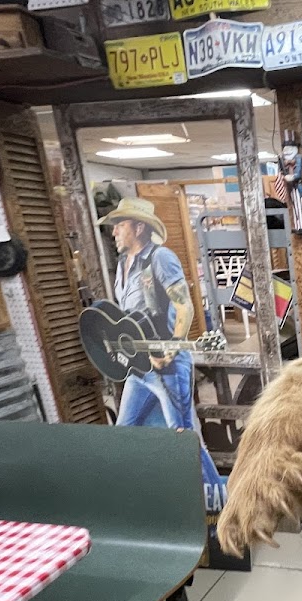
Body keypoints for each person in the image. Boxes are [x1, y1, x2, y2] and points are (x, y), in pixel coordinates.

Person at [96, 196, 226, 507]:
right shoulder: (122, 267)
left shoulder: (161, 258)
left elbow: (184, 305)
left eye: (120, 225)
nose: (114, 232)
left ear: (139, 227)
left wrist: (171, 347)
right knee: (126, 431)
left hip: (166, 365)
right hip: (138, 365)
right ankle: (144, 497)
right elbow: (127, 318)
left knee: (183, 437)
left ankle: (220, 505)